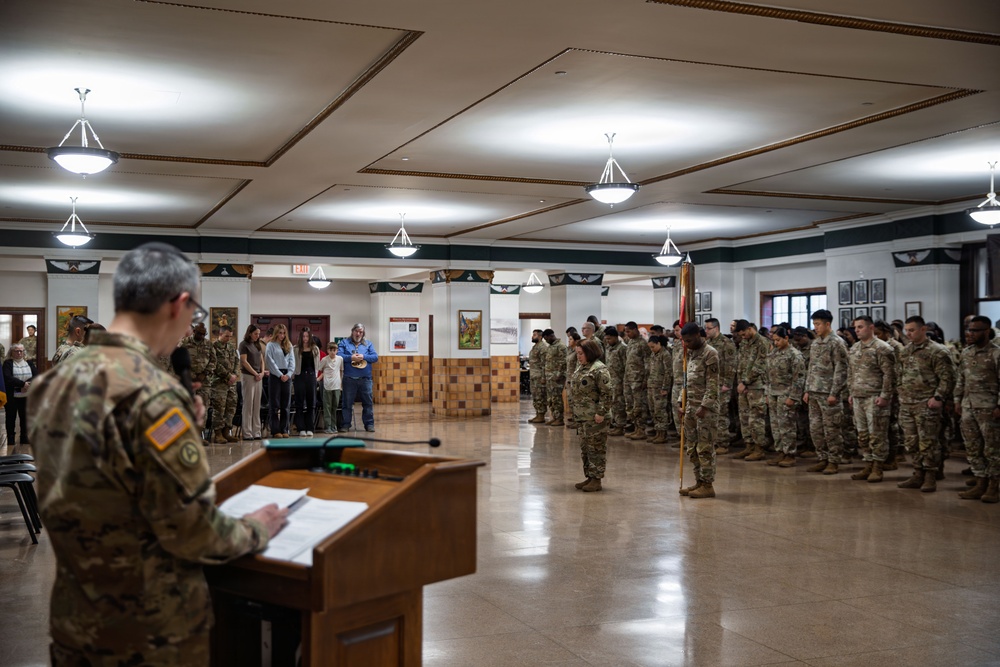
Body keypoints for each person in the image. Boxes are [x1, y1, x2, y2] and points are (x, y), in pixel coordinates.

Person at [27, 241, 287, 666]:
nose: (187, 329)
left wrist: (182, 420)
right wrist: (257, 528)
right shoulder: (155, 396)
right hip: (148, 634)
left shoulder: (53, 383)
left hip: (76, 621)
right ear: (178, 304)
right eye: (193, 315)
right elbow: (192, 531)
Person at [896, 316, 955, 492]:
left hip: (926, 403)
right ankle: (918, 473)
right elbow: (900, 374)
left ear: (923, 329)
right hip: (907, 403)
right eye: (906, 330)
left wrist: (938, 397)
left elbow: (948, 378)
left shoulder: (938, 351)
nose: (908, 333)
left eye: (912, 330)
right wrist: (900, 392)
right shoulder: (906, 351)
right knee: (911, 442)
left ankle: (930, 476)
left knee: (928, 442)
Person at [954, 316, 1000, 502]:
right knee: (973, 447)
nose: (970, 333)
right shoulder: (967, 352)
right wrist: (957, 400)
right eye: (969, 330)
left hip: (988, 408)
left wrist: (999, 405)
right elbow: (961, 378)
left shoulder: (996, 353)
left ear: (987, 331)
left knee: (992, 449)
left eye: (975, 330)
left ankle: (994, 486)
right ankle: (980, 482)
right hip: (968, 406)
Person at [845, 316, 896, 482]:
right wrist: (851, 392)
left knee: (877, 434)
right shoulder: (855, 348)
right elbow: (851, 372)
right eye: (855, 327)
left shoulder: (882, 348)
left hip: (875, 397)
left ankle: (878, 467)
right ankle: (868, 463)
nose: (857, 330)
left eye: (860, 327)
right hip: (858, 396)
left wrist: (885, 396)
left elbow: (889, 375)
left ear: (871, 327)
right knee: (862, 434)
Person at [677, 323, 721, 499]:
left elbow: (713, 384)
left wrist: (705, 406)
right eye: (684, 341)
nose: (686, 344)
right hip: (690, 407)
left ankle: (708, 485)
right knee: (692, 448)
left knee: (704, 448)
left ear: (698, 335)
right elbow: (686, 381)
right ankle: (699, 481)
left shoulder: (710, 353)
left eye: (689, 340)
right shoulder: (690, 353)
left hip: (705, 410)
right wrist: (681, 401)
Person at [803, 309, 848, 475]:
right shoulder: (816, 343)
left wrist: (834, 393)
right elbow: (811, 368)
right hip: (814, 392)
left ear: (827, 324)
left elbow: (841, 370)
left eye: (818, 324)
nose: (815, 327)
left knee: (831, 429)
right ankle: (822, 458)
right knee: (816, 429)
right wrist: (807, 389)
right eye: (814, 324)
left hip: (828, 393)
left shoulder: (837, 343)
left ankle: (834, 460)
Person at [570, 339, 613, 492]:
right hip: (583, 416)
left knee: (596, 449)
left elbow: (607, 394)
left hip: (595, 417)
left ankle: (597, 479)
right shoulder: (582, 367)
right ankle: (589, 476)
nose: (578, 357)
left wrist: (601, 413)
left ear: (590, 352)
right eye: (577, 354)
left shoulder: (599, 369)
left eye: (581, 354)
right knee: (586, 449)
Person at [765, 327, 804, 467]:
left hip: (786, 394)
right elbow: (768, 375)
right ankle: (780, 451)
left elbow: (799, 378)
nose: (776, 343)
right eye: (774, 340)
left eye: (778, 340)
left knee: (787, 426)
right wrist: (767, 394)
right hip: (773, 393)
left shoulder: (794, 355)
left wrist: (793, 397)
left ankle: (790, 454)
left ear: (786, 338)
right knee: (775, 426)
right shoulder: (773, 354)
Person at [732, 320, 770, 461]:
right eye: (741, 335)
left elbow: (760, 365)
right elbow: (741, 364)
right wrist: (741, 382)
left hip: (757, 386)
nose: (743, 337)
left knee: (756, 419)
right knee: (744, 417)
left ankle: (759, 448)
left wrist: (745, 382)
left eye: (744, 334)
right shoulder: (744, 343)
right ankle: (749, 445)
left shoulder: (762, 343)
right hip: (744, 386)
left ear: (749, 329)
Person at [179, 322, 217, 445]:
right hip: (188, 380)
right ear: (194, 332)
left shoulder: (208, 344)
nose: (201, 336)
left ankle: (199, 435)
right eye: (199, 334)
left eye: (203, 334)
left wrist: (205, 373)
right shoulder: (185, 342)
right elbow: (178, 359)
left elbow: (213, 361)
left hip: (204, 381)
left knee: (203, 408)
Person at [338, 323, 378, 432]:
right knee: (347, 403)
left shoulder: (368, 344)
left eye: (361, 332)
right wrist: (350, 357)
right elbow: (339, 356)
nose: (358, 334)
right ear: (352, 331)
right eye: (356, 331)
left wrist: (364, 356)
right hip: (349, 378)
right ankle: (345, 425)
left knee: (368, 403)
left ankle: (369, 424)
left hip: (365, 379)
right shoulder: (344, 343)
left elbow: (375, 357)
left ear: (363, 333)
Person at [704, 318, 736, 454]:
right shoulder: (707, 343)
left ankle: (723, 443)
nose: (706, 331)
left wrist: (727, 384)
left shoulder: (726, 343)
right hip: (709, 383)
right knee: (709, 414)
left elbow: (731, 364)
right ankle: (713, 441)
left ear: (716, 328)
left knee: (721, 414)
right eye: (705, 328)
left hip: (721, 383)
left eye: (708, 328)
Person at [210, 325, 240, 443]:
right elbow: (215, 364)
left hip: (231, 384)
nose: (229, 339)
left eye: (230, 336)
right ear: (220, 334)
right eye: (226, 336)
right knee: (219, 409)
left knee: (231, 407)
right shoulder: (213, 347)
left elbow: (237, 362)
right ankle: (218, 434)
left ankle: (226, 432)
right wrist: (228, 376)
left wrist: (235, 374)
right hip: (219, 383)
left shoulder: (231, 347)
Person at [3, 343, 37, 446]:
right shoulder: (8, 363)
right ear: (11, 352)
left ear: (24, 352)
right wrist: (22, 385)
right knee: (11, 417)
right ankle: (11, 438)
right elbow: (7, 378)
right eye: (16, 351)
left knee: (25, 417)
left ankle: (24, 437)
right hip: (12, 395)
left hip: (26, 395)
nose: (19, 353)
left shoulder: (29, 362)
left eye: (21, 351)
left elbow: (36, 375)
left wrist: (27, 385)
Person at [265, 323, 295, 438]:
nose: (282, 335)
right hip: (275, 375)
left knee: (285, 405)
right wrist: (279, 374)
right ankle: (275, 430)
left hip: (287, 375)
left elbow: (292, 361)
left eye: (283, 333)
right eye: (280, 333)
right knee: (274, 404)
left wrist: (289, 374)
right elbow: (269, 360)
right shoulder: (271, 345)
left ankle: (284, 429)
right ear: (276, 333)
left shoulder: (289, 345)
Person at [623, 321, 651, 440]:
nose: (627, 334)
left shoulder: (643, 343)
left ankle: (641, 429)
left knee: (639, 405)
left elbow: (647, 362)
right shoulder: (630, 342)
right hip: (629, 378)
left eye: (629, 331)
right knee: (630, 404)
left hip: (638, 379)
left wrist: (645, 379)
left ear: (635, 330)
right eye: (626, 332)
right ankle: (635, 427)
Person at [239, 324, 266, 440]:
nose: (257, 336)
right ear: (249, 333)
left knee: (256, 405)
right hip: (249, 376)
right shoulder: (243, 344)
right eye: (255, 334)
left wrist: (262, 372)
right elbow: (244, 361)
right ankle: (247, 432)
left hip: (258, 376)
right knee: (248, 405)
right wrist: (255, 373)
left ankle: (256, 431)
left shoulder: (257, 344)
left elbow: (261, 360)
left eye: (259, 334)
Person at [293, 327, 320, 436]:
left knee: (311, 403)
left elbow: (317, 365)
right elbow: (293, 363)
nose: (305, 338)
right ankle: (301, 428)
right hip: (299, 376)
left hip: (311, 376)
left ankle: (310, 428)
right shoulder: (295, 349)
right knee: (299, 403)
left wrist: (316, 377)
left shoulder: (315, 349)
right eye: (303, 336)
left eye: (307, 336)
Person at [646, 335, 673, 444]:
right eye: (650, 347)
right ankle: (657, 432)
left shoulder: (665, 355)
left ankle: (663, 434)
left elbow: (668, 372)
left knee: (660, 410)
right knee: (653, 410)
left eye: (653, 347)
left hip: (660, 387)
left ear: (659, 344)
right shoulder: (653, 354)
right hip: (652, 386)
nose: (651, 349)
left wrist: (665, 387)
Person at [603, 326, 628, 436]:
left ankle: (620, 426)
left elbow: (626, 365)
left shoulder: (622, 348)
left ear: (615, 337)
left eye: (609, 339)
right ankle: (614, 423)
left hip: (619, 380)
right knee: (612, 403)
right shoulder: (608, 347)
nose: (608, 341)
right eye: (606, 339)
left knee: (619, 403)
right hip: (610, 380)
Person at [542, 329, 567, 426]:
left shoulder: (561, 346)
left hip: (557, 378)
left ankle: (560, 419)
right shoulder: (550, 347)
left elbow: (564, 362)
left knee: (557, 398)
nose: (546, 341)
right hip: (550, 377)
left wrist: (558, 374)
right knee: (551, 399)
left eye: (546, 339)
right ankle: (555, 417)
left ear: (551, 336)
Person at [318, 341, 343, 433]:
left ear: (337, 350)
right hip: (327, 386)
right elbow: (320, 369)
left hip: (337, 386)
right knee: (327, 407)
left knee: (334, 406)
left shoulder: (340, 359)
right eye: (331, 350)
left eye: (334, 350)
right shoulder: (324, 360)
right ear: (328, 350)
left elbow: (341, 371)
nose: (333, 352)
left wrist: (341, 384)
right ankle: (327, 426)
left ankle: (333, 425)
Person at [527, 329, 549, 424]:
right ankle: (538, 414)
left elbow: (545, 364)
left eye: (535, 335)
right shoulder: (535, 347)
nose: (532, 336)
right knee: (535, 396)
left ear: (540, 337)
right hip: (534, 376)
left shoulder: (542, 348)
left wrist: (543, 377)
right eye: (533, 334)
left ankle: (541, 415)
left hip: (539, 376)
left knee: (540, 396)